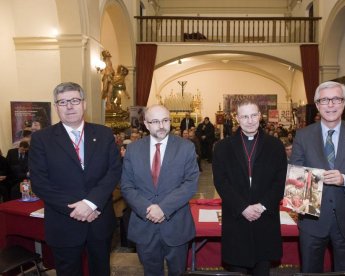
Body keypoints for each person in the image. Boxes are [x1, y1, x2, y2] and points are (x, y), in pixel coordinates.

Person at [29, 82, 122, 276]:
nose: (69, 106)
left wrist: (91, 203)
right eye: (62, 102)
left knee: (101, 271)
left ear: (84, 104)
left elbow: (114, 171)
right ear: (56, 107)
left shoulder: (104, 134)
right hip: (64, 223)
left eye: (74, 100)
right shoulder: (41, 139)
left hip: (99, 221)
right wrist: (77, 208)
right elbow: (39, 182)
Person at [290, 81, 345, 273]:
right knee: (310, 271)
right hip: (312, 221)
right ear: (317, 104)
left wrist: (344, 179)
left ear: (344, 103)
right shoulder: (303, 135)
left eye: (336, 99)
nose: (330, 105)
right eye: (324, 100)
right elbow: (295, 174)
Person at [120, 104, 199, 276]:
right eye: (155, 121)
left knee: (177, 272)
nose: (161, 126)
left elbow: (190, 183)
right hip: (144, 224)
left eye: (165, 120)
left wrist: (163, 208)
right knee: (151, 272)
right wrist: (146, 209)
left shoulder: (185, 147)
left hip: (176, 225)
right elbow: (126, 185)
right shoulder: (133, 149)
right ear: (146, 125)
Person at [212, 100, 287, 275]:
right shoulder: (223, 147)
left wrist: (262, 206)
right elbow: (221, 182)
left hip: (265, 217)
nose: (250, 120)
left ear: (260, 116)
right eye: (245, 116)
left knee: (263, 268)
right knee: (237, 268)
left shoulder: (275, 146)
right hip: (237, 217)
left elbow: (280, 180)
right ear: (237, 118)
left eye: (254, 115)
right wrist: (242, 207)